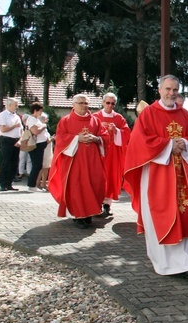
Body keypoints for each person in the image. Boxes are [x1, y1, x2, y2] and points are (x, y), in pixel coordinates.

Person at [124, 75, 188, 279]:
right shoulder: (149, 114)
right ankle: (165, 264)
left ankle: (186, 263)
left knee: (186, 214)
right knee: (160, 214)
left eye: (175, 90)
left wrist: (185, 144)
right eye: (168, 89)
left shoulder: (186, 116)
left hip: (183, 176)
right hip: (157, 175)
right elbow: (140, 142)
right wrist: (169, 145)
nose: (172, 93)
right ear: (160, 90)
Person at [48, 95, 108, 229]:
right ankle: (77, 216)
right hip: (73, 162)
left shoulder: (95, 121)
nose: (84, 106)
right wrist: (76, 138)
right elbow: (60, 138)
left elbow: (105, 137)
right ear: (73, 105)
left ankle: (87, 214)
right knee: (77, 187)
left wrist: (96, 138)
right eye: (80, 103)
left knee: (94, 184)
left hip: (92, 160)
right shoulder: (66, 121)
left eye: (86, 103)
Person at [94, 93, 131, 216]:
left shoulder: (119, 118)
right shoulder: (95, 117)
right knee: (98, 177)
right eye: (108, 103)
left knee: (111, 177)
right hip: (99, 153)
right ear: (103, 103)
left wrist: (117, 131)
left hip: (113, 154)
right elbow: (89, 131)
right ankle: (95, 203)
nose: (110, 105)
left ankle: (107, 205)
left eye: (112, 103)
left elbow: (127, 134)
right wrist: (100, 128)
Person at [0, 98, 22, 191]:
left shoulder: (16, 116)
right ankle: (3, 184)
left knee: (14, 163)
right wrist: (14, 126)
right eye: (15, 105)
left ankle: (9, 183)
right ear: (10, 105)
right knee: (5, 162)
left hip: (16, 140)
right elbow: (3, 129)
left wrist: (20, 140)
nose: (17, 106)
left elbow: (21, 130)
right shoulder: (3, 115)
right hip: (7, 140)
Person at [25, 102, 48, 192]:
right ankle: (31, 185)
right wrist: (43, 126)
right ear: (35, 110)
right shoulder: (32, 120)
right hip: (36, 145)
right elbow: (35, 131)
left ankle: (32, 184)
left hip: (40, 144)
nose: (41, 112)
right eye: (40, 110)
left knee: (38, 165)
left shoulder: (36, 119)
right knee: (37, 165)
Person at [36, 113, 53, 192]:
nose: (47, 120)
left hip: (47, 149)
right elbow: (46, 140)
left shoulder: (43, 128)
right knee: (42, 167)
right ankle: (38, 183)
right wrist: (52, 138)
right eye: (46, 119)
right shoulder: (43, 128)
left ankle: (43, 183)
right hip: (45, 149)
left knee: (46, 167)